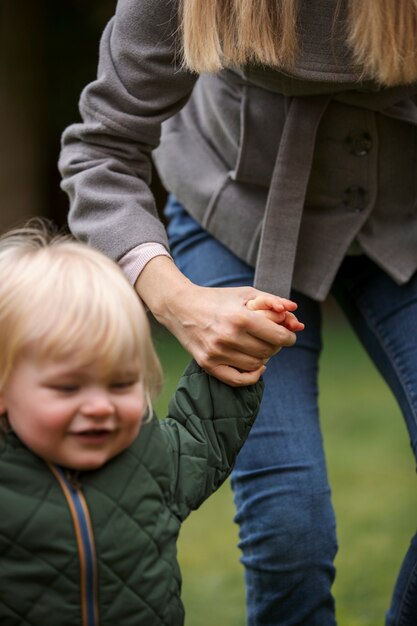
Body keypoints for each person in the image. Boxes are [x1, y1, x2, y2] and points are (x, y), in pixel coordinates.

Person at [59, 1, 417, 624]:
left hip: (406, 219)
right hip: (236, 219)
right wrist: (180, 302)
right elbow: (101, 149)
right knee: (289, 527)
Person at [0, 222, 304, 625]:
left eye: (122, 383)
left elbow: (206, 423)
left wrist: (241, 347)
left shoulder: (154, 458)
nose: (99, 407)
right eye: (68, 387)